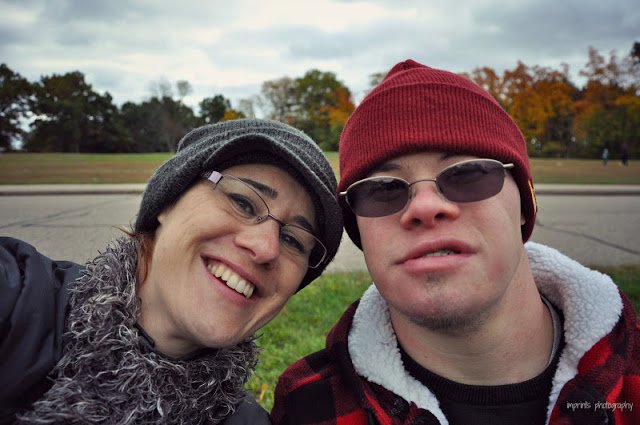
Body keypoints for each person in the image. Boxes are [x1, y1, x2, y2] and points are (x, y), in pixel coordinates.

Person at [271, 60, 640, 424]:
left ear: (526, 204)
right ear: (360, 231)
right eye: (382, 189)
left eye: (468, 173)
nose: (425, 206)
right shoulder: (307, 408)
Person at [0, 119, 343, 424]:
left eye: (294, 241)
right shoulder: (18, 297)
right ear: (167, 201)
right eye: (242, 202)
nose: (266, 247)